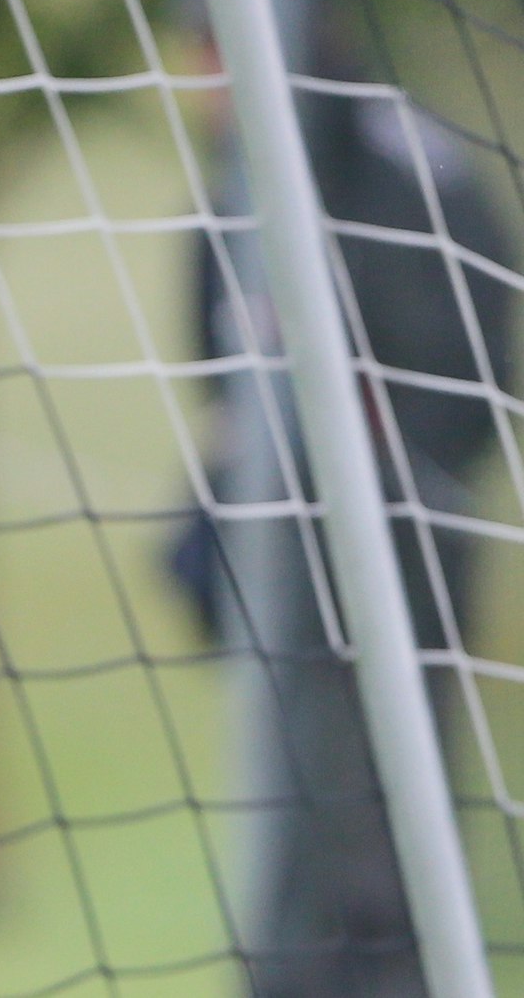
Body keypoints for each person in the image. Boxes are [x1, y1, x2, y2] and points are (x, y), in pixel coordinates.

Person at [166, 55, 512, 998]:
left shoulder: (393, 167)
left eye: (207, 61)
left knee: (376, 806)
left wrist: (375, 468)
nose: (198, 87)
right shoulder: (252, 175)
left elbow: (465, 357)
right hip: (291, 538)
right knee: (304, 797)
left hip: (400, 541)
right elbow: (212, 346)